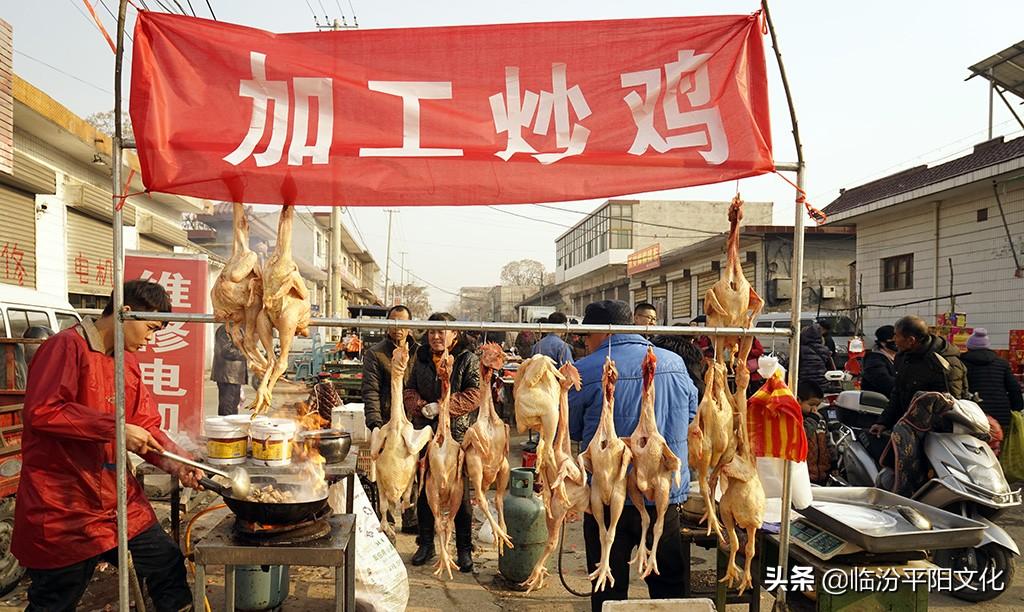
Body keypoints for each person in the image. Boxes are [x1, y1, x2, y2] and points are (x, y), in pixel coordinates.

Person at [13, 280, 204, 612]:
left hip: (118, 502)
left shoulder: (126, 361)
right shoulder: (65, 347)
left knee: (166, 563)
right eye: (151, 327)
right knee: (56, 599)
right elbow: (43, 412)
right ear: (125, 312)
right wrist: (116, 429)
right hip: (64, 505)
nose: (152, 338)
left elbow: (144, 427)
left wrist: (180, 461)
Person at [568, 300, 697, 612]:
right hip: (662, 496)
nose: (586, 342)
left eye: (587, 335)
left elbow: (571, 428)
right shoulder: (674, 363)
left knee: (607, 583)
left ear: (598, 332)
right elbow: (692, 412)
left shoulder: (585, 370)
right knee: (668, 585)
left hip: (607, 496)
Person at [404, 312, 481, 572]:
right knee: (426, 490)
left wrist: (443, 406)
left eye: (442, 331)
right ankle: (426, 544)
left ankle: (464, 549)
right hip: (426, 433)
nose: (436, 336)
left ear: (455, 334)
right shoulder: (422, 358)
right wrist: (421, 406)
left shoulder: (467, 359)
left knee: (460, 492)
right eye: (432, 331)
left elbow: (474, 395)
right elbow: (409, 389)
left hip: (457, 436)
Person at [870, 315, 968, 436]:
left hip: (938, 435)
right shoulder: (904, 356)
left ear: (911, 340)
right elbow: (898, 392)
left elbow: (950, 406)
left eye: (897, 336)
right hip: (908, 428)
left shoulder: (943, 364)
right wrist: (884, 422)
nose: (894, 339)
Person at [961, 328, 1023, 430]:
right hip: (1001, 415)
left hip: (973, 414)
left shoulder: (961, 363)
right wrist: (1017, 408)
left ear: (969, 347)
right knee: (998, 442)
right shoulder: (1002, 363)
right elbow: (1014, 389)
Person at [651, 326, 706, 400]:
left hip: (657, 396)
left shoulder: (655, 349)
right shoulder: (690, 356)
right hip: (681, 399)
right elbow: (697, 387)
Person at [797, 381, 833, 484]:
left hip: (822, 474)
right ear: (798, 400)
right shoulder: (798, 421)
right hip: (804, 476)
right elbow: (802, 435)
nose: (815, 409)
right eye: (811, 404)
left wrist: (833, 462)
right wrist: (813, 419)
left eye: (817, 405)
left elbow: (828, 442)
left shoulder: (820, 420)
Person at [212, 324, 247, 416]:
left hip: (235, 376)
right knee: (227, 409)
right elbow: (226, 351)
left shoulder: (239, 329)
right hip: (228, 376)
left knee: (233, 408)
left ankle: (230, 429)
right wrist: (247, 354)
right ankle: (224, 429)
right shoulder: (225, 329)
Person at [797, 324, 834, 394]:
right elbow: (830, 367)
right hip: (822, 385)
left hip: (804, 385)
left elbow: (790, 367)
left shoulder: (799, 350)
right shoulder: (825, 350)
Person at [861, 325, 897, 397]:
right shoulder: (874, 360)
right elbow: (884, 382)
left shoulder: (899, 357)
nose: (897, 344)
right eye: (893, 341)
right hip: (879, 402)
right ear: (882, 343)